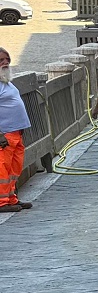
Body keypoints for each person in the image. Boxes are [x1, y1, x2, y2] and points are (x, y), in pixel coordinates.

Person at [0, 48, 31, 213]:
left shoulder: (6, 81)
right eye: (1, 61)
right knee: (2, 170)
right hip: (4, 135)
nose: (5, 63)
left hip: (16, 133)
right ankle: (2, 202)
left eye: (7, 59)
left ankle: (11, 198)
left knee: (13, 169)